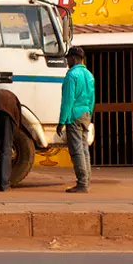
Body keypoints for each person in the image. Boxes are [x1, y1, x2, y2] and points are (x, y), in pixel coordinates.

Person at [58, 46, 95, 193]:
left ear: (73, 59)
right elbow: (92, 99)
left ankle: (82, 183)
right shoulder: (89, 75)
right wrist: (89, 114)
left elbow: (68, 100)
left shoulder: (71, 75)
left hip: (74, 115)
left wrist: (62, 121)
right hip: (86, 113)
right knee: (85, 149)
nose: (67, 61)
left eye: (68, 58)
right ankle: (87, 180)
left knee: (77, 150)